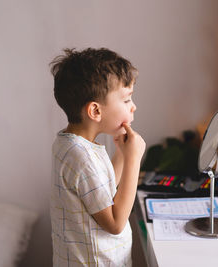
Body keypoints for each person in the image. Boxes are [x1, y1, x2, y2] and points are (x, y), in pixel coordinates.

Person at [49, 47, 146, 266]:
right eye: (126, 100)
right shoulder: (80, 157)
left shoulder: (72, 144)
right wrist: (133, 160)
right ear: (95, 111)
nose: (133, 107)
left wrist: (122, 154)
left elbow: (103, 189)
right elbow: (115, 222)